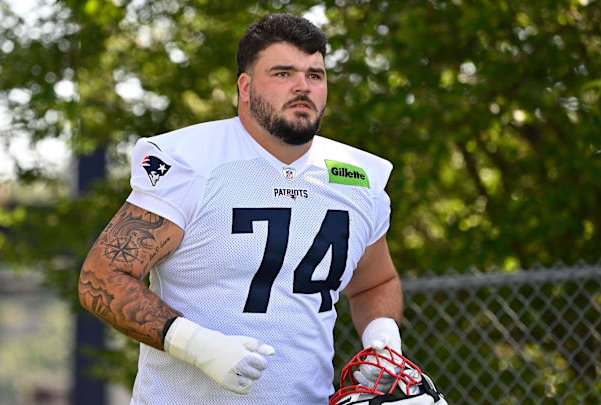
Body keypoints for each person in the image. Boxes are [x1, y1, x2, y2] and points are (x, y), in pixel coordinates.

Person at [78, 13, 404, 404]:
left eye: (315, 75)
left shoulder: (358, 177)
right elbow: (102, 276)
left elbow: (374, 282)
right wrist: (196, 345)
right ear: (245, 86)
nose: (303, 87)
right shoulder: (190, 161)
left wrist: (382, 341)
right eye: (283, 73)